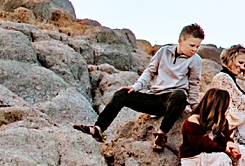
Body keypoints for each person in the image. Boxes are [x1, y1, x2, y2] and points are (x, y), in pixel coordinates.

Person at [76, 23, 204, 151]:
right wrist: (137, 86)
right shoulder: (164, 51)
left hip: (174, 101)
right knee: (121, 94)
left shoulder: (195, 60)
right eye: (192, 45)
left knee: (180, 95)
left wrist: (193, 107)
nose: (194, 49)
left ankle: (161, 134)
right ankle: (98, 129)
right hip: (155, 98)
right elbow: (150, 71)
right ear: (181, 41)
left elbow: (194, 84)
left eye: (197, 46)